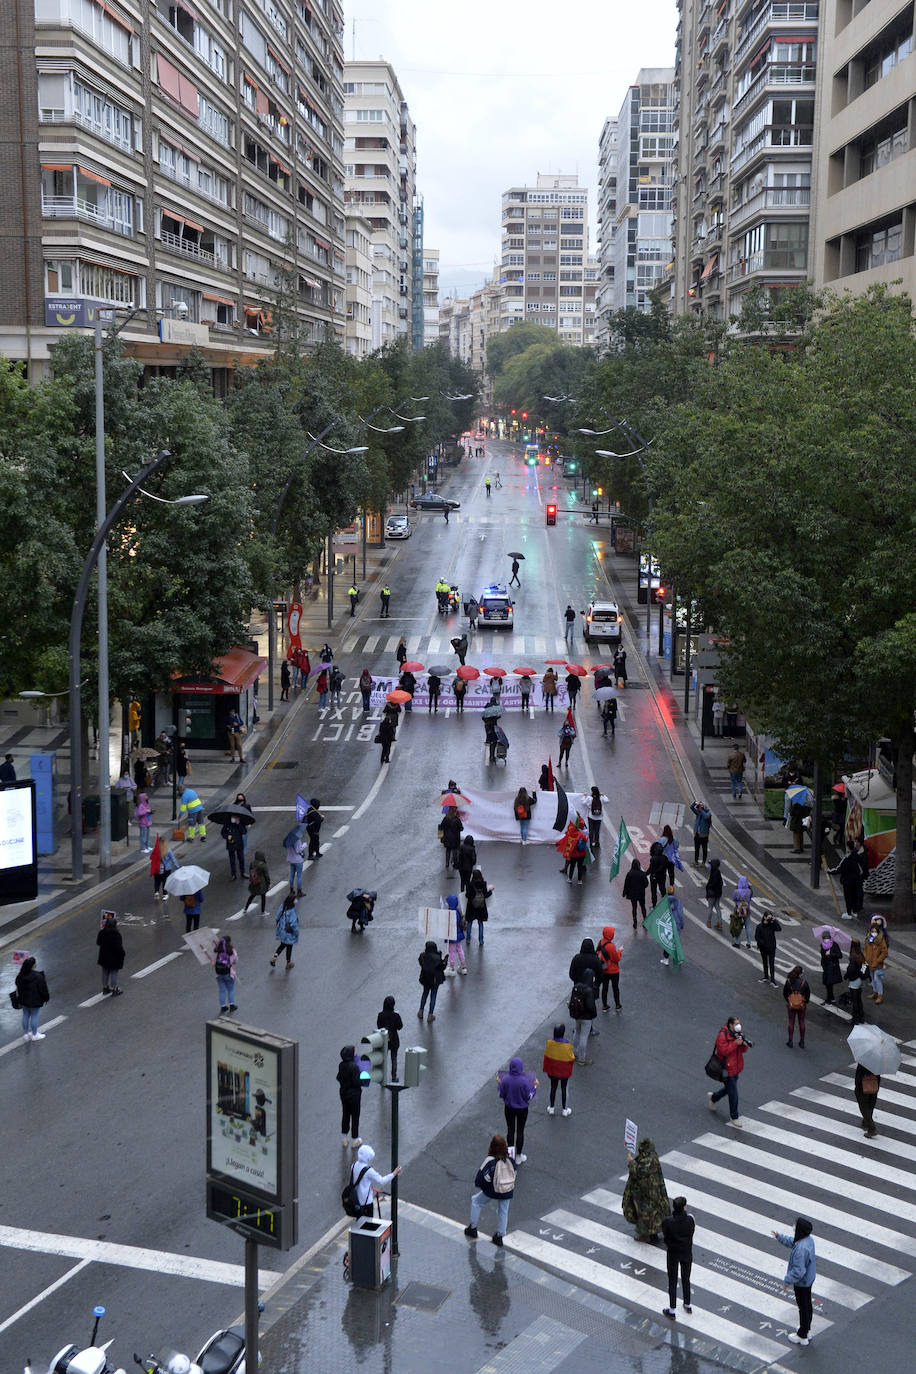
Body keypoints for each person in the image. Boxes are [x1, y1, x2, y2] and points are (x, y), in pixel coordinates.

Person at [771, 1219, 816, 1345]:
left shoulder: (800, 1249)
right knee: (807, 1305)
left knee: (803, 1307)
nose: (794, 1226)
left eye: (796, 1225)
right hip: (809, 1278)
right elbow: (793, 1242)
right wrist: (779, 1237)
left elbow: (799, 1270)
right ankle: (807, 1330)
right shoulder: (808, 1240)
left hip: (802, 1282)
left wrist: (787, 1281)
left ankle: (802, 1336)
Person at [465, 1134, 515, 1246]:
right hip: (507, 1190)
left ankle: (472, 1228)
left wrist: (485, 1188)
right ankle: (500, 1236)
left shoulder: (490, 1161)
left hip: (493, 1189)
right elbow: (514, 1173)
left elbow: (482, 1178)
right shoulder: (510, 1160)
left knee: (476, 1201)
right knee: (503, 1210)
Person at [623, 1138, 670, 1242]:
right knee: (655, 1213)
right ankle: (654, 1234)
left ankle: (645, 1235)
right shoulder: (653, 1156)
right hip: (654, 1191)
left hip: (645, 1194)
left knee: (645, 1214)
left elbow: (639, 1173)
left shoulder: (647, 1161)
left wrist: (631, 1162)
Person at [707, 1016, 751, 1127]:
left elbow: (742, 1050)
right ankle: (734, 1117)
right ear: (730, 1025)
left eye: (739, 1023)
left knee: (729, 1089)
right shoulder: (722, 1035)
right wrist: (736, 1043)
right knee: (734, 1093)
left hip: (735, 1066)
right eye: (736, 1024)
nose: (738, 1026)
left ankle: (713, 1097)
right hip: (726, 1068)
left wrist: (744, 1045)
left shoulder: (738, 1033)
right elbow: (723, 1051)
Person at [497, 1057, 538, 1163]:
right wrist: (534, 1087)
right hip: (522, 1110)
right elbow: (529, 1097)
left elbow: (501, 1094)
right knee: (520, 1131)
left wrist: (499, 1083)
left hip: (509, 1108)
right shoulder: (524, 1081)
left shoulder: (505, 1079)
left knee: (510, 1131)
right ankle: (519, 1156)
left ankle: (510, 1157)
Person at [662, 1196, 695, 1317]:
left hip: (673, 1253)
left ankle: (672, 1309)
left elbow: (665, 1237)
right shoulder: (691, 1220)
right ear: (684, 1207)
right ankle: (688, 1304)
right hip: (686, 1253)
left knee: (672, 1280)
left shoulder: (668, 1221)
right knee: (686, 1278)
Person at [348, 1143, 402, 1208]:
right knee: (368, 1218)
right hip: (366, 1202)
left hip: (355, 1199)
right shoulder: (369, 1171)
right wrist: (394, 1173)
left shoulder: (354, 1165)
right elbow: (382, 1181)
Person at [15, 956, 50, 1040]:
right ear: (33, 966)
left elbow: (17, 985)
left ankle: (26, 1034)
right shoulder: (38, 976)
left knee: (25, 1015)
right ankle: (35, 1035)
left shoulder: (20, 976)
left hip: (23, 1000)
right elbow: (43, 989)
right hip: (35, 1000)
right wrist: (46, 998)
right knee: (34, 1016)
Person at [543, 1023, 575, 1115]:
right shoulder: (567, 1044)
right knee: (564, 1088)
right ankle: (565, 1110)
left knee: (553, 1088)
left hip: (553, 1071)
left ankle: (551, 1108)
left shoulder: (549, 1042)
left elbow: (547, 1055)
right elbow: (571, 1057)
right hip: (564, 1072)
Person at [569, 967, 598, 1065]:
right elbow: (590, 1006)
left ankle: (573, 1053)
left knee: (577, 1032)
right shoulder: (589, 990)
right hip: (586, 1017)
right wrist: (594, 1014)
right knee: (584, 1036)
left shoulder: (577, 986)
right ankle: (582, 1058)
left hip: (577, 1015)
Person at [337, 1045, 364, 1148]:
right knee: (355, 1116)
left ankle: (344, 1138)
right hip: (354, 1095)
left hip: (343, 1094)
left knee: (345, 1114)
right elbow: (357, 1082)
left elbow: (339, 1077)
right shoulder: (354, 1067)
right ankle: (355, 1139)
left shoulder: (341, 1065)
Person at [830, 841, 863, 920]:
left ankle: (848, 913)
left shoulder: (846, 858)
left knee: (848, 897)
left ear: (848, 847)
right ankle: (854, 912)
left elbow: (839, 869)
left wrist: (829, 871)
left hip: (847, 881)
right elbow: (862, 867)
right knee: (855, 896)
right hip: (856, 880)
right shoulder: (857, 856)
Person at [418, 939, 446, 1021]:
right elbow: (442, 967)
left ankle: (421, 1011)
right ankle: (430, 1014)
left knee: (425, 994)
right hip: (434, 980)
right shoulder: (437, 958)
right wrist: (445, 959)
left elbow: (421, 961)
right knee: (433, 996)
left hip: (425, 979)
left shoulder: (422, 956)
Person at [96, 914, 125, 996]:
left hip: (104, 956)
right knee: (114, 972)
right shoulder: (116, 935)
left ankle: (105, 988)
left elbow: (98, 942)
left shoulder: (102, 932)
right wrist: (123, 953)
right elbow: (119, 947)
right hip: (114, 958)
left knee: (105, 972)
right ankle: (115, 989)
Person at [596, 925, 623, 1012]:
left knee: (605, 988)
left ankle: (604, 1005)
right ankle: (617, 1005)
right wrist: (620, 951)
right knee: (615, 988)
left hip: (604, 970)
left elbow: (598, 954)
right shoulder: (611, 946)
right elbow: (617, 959)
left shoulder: (600, 943)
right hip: (614, 971)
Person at [783, 964, 810, 1047]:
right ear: (800, 974)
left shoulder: (789, 982)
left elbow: (784, 993)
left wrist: (789, 1001)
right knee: (801, 1022)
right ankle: (802, 1041)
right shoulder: (804, 983)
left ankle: (790, 1041)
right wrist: (805, 1002)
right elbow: (808, 994)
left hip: (791, 1005)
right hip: (801, 1005)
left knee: (791, 1022)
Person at [465, 867, 493, 945]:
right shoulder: (483, 883)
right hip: (481, 907)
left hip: (471, 907)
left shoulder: (470, 884)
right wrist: (490, 891)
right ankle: (481, 940)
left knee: (470, 922)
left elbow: (467, 895)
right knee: (480, 923)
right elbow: (486, 895)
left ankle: (468, 939)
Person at [377, 995, 403, 1081]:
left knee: (383, 1058)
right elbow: (400, 1026)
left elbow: (379, 1027)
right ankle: (394, 1077)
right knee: (394, 1058)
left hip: (384, 1039)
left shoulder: (380, 1015)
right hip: (394, 1039)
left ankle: (382, 1077)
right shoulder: (396, 1015)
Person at [270, 893, 299, 969]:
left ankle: (275, 956)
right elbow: (293, 923)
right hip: (289, 932)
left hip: (282, 929)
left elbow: (277, 917)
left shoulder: (283, 906)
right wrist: (296, 933)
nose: (296, 901)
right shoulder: (292, 911)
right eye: (295, 899)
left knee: (282, 944)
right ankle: (288, 962)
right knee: (289, 946)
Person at [210, 934, 237, 1014]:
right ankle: (232, 1005)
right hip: (228, 972)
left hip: (219, 974)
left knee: (222, 990)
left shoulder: (217, 950)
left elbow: (213, 963)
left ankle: (223, 1007)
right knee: (231, 989)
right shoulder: (231, 950)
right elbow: (235, 961)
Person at [864, 914, 888, 1004]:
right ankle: (875, 993)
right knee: (873, 980)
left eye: (875, 931)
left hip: (877, 964)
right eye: (872, 931)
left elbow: (885, 953)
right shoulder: (868, 939)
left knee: (877, 980)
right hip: (869, 963)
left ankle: (880, 996)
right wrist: (865, 959)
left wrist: (878, 961)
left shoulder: (881, 940)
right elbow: (866, 950)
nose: (873, 932)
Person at [659, 886, 684, 968]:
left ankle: (666, 959)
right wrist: (682, 925)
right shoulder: (678, 902)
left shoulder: (664, 902)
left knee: (667, 942)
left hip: (667, 926)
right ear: (673, 892)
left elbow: (660, 913)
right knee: (676, 942)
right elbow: (680, 915)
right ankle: (679, 959)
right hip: (676, 925)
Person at [854, 1062, 881, 1138]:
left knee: (863, 1104)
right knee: (870, 1102)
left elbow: (860, 1074)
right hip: (875, 1082)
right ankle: (866, 1121)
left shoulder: (864, 1059)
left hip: (863, 1082)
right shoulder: (880, 1058)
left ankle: (871, 1127)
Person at [755, 910, 782, 983]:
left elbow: (779, 929)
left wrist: (775, 920)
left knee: (772, 964)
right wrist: (763, 943)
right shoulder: (759, 926)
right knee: (765, 963)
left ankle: (773, 980)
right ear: (764, 917)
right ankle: (766, 976)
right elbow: (756, 937)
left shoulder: (772, 925)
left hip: (771, 948)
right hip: (763, 948)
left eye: (771, 917)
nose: (770, 919)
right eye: (768, 917)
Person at [623, 857, 649, 929]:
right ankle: (645, 920)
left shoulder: (629, 874)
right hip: (641, 894)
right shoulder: (642, 874)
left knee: (634, 908)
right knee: (643, 907)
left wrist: (624, 893)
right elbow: (646, 884)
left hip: (632, 895)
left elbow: (626, 884)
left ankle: (635, 922)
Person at [845, 938, 867, 1024]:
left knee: (855, 1001)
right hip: (860, 980)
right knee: (858, 1000)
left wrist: (846, 976)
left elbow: (851, 970)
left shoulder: (853, 957)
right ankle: (861, 1017)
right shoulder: (860, 954)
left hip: (854, 980)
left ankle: (855, 1019)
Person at [445, 893, 467, 974]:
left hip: (452, 935)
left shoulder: (450, 913)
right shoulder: (457, 911)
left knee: (452, 951)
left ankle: (451, 968)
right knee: (459, 949)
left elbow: (448, 925)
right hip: (458, 934)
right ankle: (463, 967)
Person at [243, 849, 270, 914]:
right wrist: (268, 883)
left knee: (252, 895)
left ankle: (246, 908)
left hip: (254, 882)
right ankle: (263, 911)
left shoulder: (252, 863)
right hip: (262, 884)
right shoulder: (263, 865)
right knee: (263, 897)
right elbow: (266, 875)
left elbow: (250, 871)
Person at [820, 932, 843, 1005]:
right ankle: (831, 998)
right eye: (825, 938)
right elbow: (823, 955)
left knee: (829, 983)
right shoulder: (822, 945)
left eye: (827, 938)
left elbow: (840, 955)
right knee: (827, 984)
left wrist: (831, 954)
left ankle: (828, 999)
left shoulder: (834, 945)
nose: (826, 940)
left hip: (832, 967)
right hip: (826, 967)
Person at [731, 875, 754, 948]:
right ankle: (749, 943)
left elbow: (734, 898)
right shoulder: (749, 891)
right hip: (747, 910)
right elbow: (750, 898)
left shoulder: (736, 891)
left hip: (738, 910)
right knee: (748, 926)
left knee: (738, 925)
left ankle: (737, 942)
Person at [440, 805, 463, 870]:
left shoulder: (445, 819)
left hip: (447, 838)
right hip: (455, 838)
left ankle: (447, 863)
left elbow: (441, 827)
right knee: (455, 851)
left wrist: (441, 836)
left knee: (448, 850)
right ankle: (455, 863)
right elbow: (461, 828)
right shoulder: (457, 820)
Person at [690, 800, 712, 866]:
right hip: (697, 834)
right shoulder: (698, 812)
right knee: (697, 849)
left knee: (704, 849)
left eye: (701, 805)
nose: (700, 806)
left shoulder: (708, 812)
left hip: (704, 835)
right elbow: (691, 807)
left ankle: (703, 862)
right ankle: (696, 861)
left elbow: (705, 816)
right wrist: (695, 803)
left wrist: (701, 810)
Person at [648, 840, 668, 907]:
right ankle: (666, 904)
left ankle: (654, 905)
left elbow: (650, 869)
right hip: (662, 877)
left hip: (654, 877)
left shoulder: (653, 859)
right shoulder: (665, 858)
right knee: (663, 890)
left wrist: (644, 874)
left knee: (653, 892)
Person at [285, 827, 306, 894]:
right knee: (299, 876)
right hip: (298, 860)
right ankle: (299, 891)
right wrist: (304, 845)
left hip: (292, 860)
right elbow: (298, 850)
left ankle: (291, 890)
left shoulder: (288, 840)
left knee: (292, 875)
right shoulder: (297, 840)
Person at [705, 858, 724, 930]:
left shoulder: (714, 873)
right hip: (718, 894)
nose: (710, 865)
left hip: (712, 894)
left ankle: (709, 922)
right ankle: (720, 923)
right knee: (717, 907)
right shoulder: (718, 872)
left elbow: (712, 883)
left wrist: (708, 887)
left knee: (710, 907)